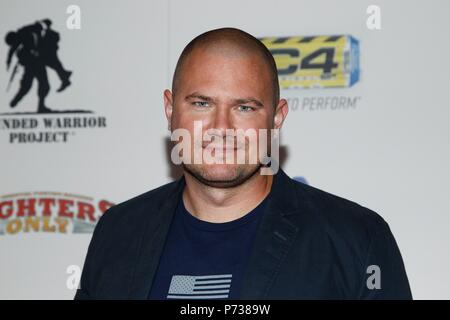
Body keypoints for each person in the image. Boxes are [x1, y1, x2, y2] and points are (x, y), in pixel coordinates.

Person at [75, 27, 412, 300]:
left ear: (277, 118)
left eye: (245, 108)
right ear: (170, 109)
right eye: (202, 103)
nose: (221, 128)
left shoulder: (356, 239)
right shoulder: (118, 233)